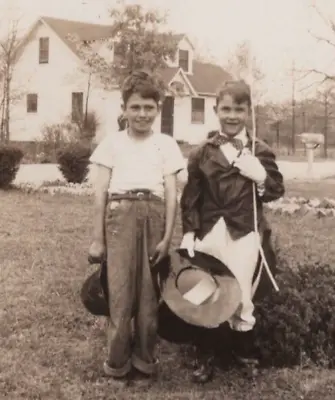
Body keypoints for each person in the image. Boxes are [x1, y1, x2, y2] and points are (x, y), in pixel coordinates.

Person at [179, 80, 285, 383]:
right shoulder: (201, 153)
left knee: (240, 290)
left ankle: (244, 353)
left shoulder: (259, 150)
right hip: (211, 231)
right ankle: (206, 355)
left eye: (239, 109)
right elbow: (192, 198)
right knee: (207, 289)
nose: (232, 115)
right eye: (226, 109)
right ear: (216, 110)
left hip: (244, 231)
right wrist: (190, 231)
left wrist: (261, 175)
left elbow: (275, 191)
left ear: (248, 111)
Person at [87, 70, 185, 383]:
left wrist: (167, 236)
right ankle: (117, 364)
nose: (142, 114)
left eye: (148, 108)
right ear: (124, 109)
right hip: (120, 215)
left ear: (158, 109)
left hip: (154, 215)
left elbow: (171, 194)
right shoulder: (111, 144)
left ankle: (145, 362)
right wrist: (97, 240)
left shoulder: (166, 145)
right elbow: (100, 193)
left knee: (148, 294)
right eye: (135, 107)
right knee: (119, 292)